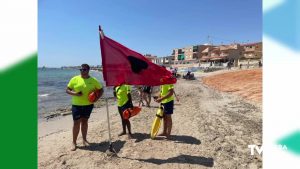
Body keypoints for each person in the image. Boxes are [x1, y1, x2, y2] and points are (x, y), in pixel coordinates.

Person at [66, 64, 103, 151]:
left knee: (85, 122)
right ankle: (74, 142)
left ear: (88, 70)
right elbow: (67, 90)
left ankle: (84, 140)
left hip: (88, 105)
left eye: (84, 70)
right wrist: (75, 94)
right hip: (76, 105)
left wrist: (97, 98)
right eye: (81, 70)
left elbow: (101, 90)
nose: (82, 71)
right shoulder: (74, 79)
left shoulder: (93, 80)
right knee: (76, 123)